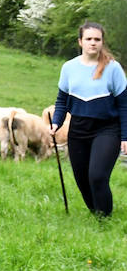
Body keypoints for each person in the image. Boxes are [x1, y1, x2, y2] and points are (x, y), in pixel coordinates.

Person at [51, 21, 127, 217]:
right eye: (89, 39)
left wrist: (125, 137)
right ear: (80, 42)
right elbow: (62, 101)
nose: (93, 43)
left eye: (97, 39)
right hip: (77, 129)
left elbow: (124, 105)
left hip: (107, 129)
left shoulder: (113, 68)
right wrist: (56, 123)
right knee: (82, 179)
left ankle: (105, 219)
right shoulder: (69, 68)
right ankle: (96, 213)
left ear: (102, 42)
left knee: (97, 176)